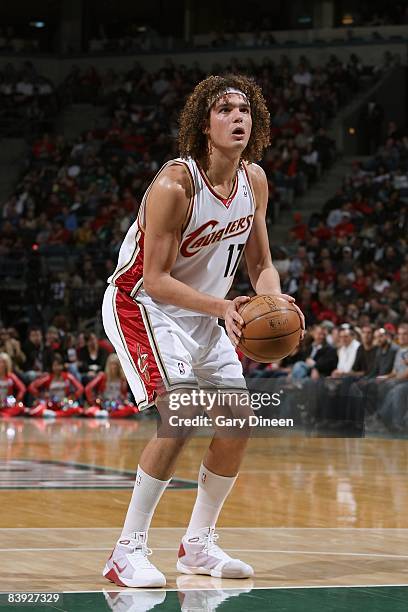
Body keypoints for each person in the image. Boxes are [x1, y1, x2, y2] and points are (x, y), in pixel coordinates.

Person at [101, 74, 305, 588]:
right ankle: (127, 550)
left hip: (209, 311)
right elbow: (155, 279)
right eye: (225, 109)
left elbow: (260, 262)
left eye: (245, 111)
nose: (238, 117)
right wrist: (225, 307)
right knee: (182, 413)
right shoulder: (176, 184)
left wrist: (272, 298)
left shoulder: (254, 180)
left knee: (237, 422)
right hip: (144, 305)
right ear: (203, 124)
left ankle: (198, 544)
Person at [84, 353, 136, 418]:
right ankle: (106, 414)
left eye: (116, 364)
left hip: (118, 405)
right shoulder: (102, 376)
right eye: (112, 364)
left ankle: (109, 415)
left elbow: (124, 396)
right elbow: (88, 388)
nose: (114, 366)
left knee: (133, 409)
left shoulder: (122, 379)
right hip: (103, 403)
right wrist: (92, 402)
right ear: (108, 365)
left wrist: (127, 402)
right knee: (90, 411)